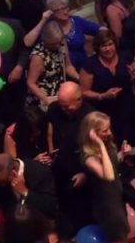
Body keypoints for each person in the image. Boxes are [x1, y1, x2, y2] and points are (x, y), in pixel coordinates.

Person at [45, 82, 95, 238]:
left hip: (81, 170)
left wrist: (85, 173)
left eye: (67, 106)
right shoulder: (55, 109)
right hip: (59, 168)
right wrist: (50, 149)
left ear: (79, 100)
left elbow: (97, 150)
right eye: (61, 105)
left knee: (82, 211)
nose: (63, 109)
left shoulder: (91, 117)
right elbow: (49, 129)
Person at [79, 31, 135, 147]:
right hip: (105, 113)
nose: (108, 49)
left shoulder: (126, 57)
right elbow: (83, 92)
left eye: (110, 44)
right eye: (104, 46)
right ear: (97, 48)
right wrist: (102, 96)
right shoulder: (90, 64)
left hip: (128, 108)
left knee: (134, 141)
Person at [79, 112, 130, 243]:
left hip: (116, 198)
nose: (109, 133)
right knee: (118, 237)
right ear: (93, 133)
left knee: (123, 234)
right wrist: (101, 146)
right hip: (107, 205)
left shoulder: (107, 143)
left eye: (109, 128)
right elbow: (108, 175)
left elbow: (112, 163)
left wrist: (122, 154)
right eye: (104, 130)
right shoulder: (89, 157)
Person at [0, 154, 58, 241]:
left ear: (14, 170)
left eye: (4, 182)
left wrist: (25, 192)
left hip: (39, 231)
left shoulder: (40, 171)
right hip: (13, 233)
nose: (2, 185)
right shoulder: (0, 178)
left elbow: (50, 207)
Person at [24, 0, 102, 72]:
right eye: (59, 9)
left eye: (66, 8)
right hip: (59, 70)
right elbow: (27, 42)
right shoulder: (47, 26)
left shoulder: (76, 21)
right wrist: (43, 20)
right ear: (51, 12)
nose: (65, 12)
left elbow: (100, 29)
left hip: (83, 66)